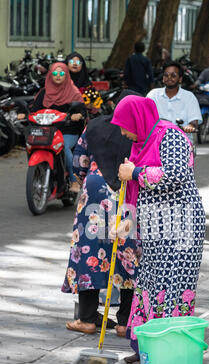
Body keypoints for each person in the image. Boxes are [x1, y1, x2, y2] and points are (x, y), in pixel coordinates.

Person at [111, 96, 206, 364]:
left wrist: (136, 172)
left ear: (137, 119)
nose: (123, 132)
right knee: (150, 285)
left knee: (171, 285)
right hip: (154, 228)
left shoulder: (170, 136)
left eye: (124, 125)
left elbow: (176, 174)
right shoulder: (141, 142)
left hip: (180, 227)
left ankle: (169, 352)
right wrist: (127, 219)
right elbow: (134, 188)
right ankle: (147, 348)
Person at [62, 91, 142, 337]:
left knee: (89, 250)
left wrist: (90, 179)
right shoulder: (141, 130)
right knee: (126, 252)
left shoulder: (95, 125)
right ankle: (124, 322)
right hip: (127, 193)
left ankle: (86, 319)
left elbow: (79, 162)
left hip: (94, 193)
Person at [18, 62, 87, 193]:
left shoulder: (73, 92)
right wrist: (24, 114)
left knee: (64, 148)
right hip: (46, 130)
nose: (58, 76)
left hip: (67, 129)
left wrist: (77, 115)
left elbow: (82, 110)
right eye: (55, 73)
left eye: (62, 73)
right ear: (50, 75)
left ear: (66, 75)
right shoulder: (44, 92)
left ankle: (74, 180)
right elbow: (34, 108)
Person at [147, 61, 202, 134]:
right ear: (163, 78)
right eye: (166, 75)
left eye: (173, 75)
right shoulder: (153, 95)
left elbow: (194, 122)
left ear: (180, 79)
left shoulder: (189, 97)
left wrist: (190, 126)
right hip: (156, 140)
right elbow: (144, 116)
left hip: (181, 141)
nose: (169, 78)